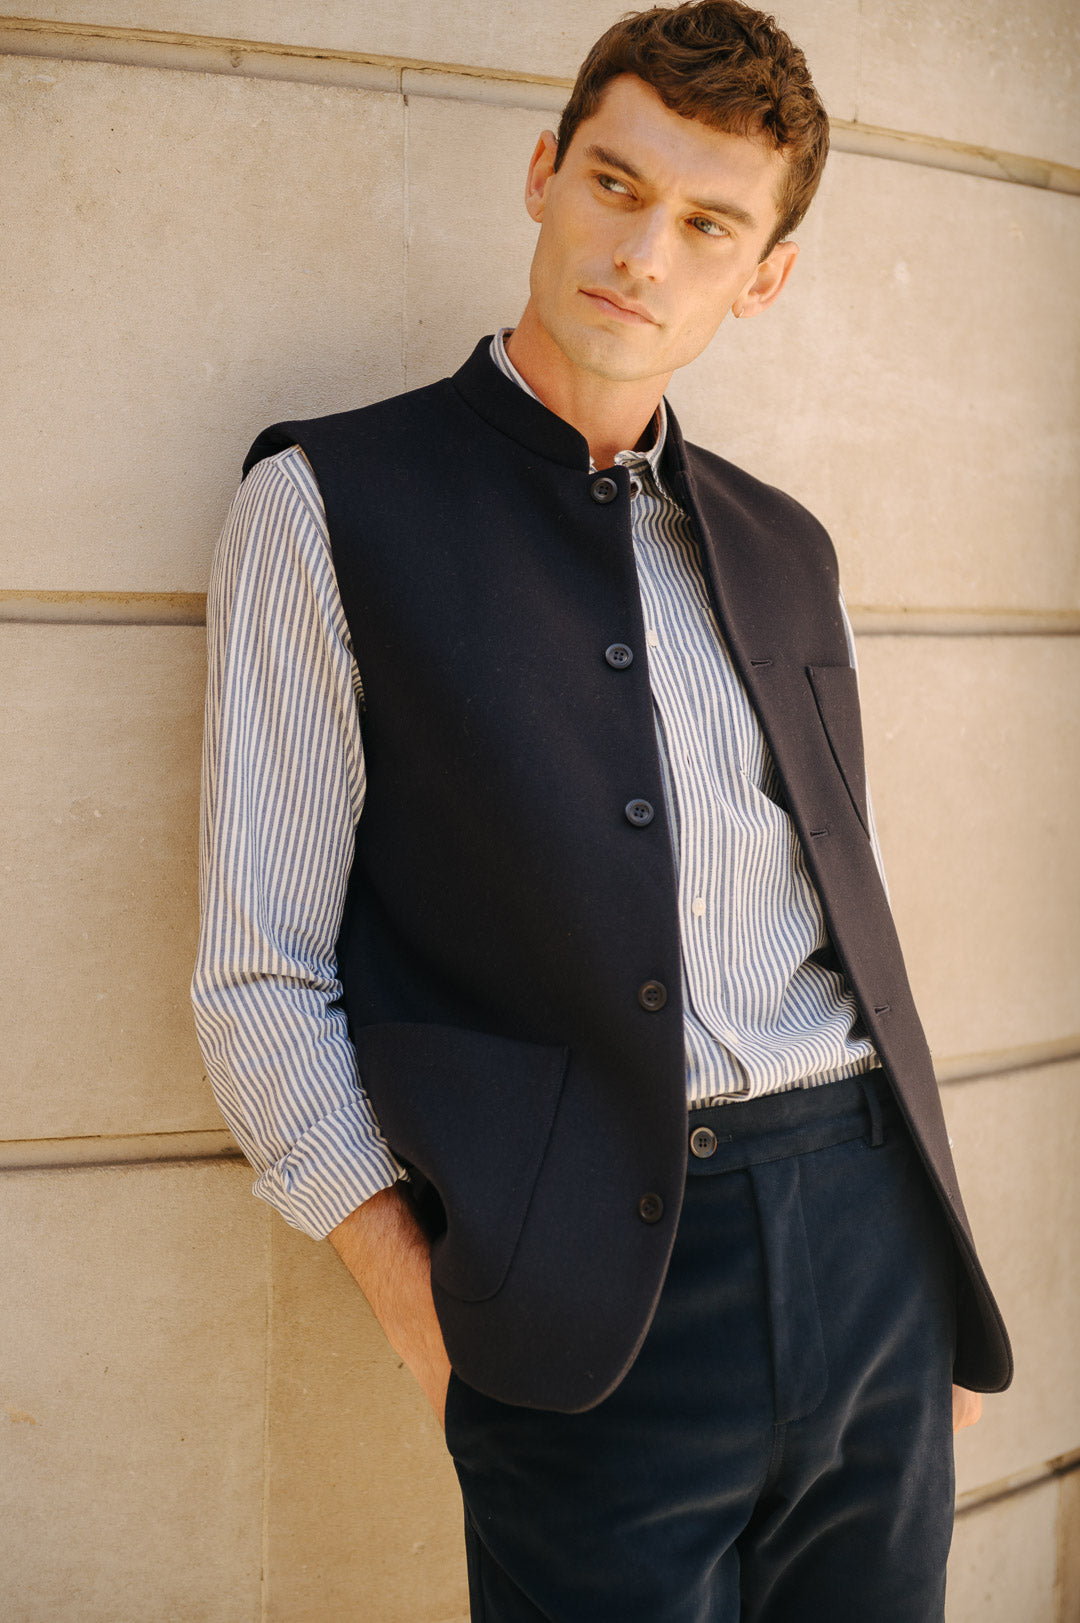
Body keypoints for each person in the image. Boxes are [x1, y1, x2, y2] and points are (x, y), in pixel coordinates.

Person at [192, 3, 1011, 1617]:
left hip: (871, 1256)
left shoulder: (789, 547)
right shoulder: (329, 505)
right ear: (544, 174)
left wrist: (931, 1288)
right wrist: (426, 1316)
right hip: (588, 1316)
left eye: (708, 224)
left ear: (762, 274)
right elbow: (260, 981)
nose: (644, 249)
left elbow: (857, 932)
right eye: (617, 186)